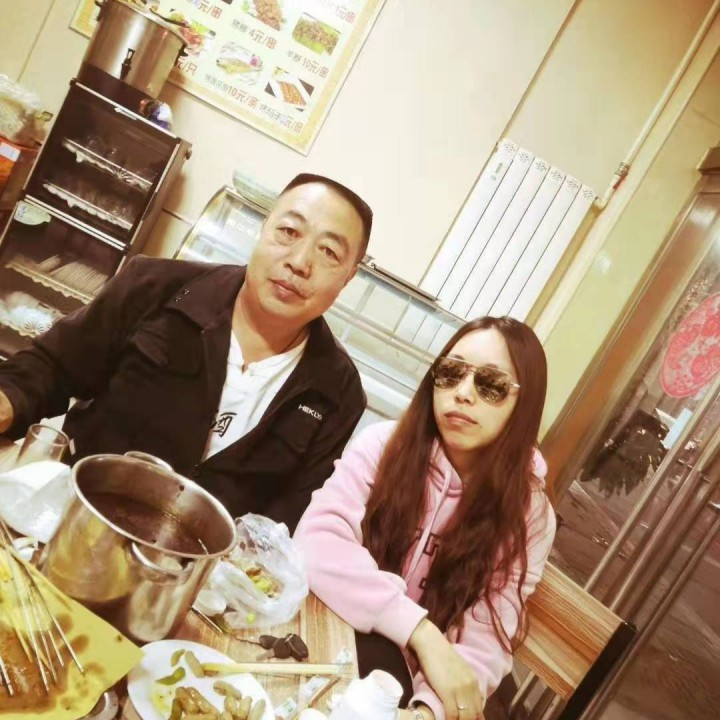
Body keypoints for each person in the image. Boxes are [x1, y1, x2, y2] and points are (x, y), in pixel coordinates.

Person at [0, 174, 371, 531]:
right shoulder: (155, 286)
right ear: (263, 229)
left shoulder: (339, 392)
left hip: (199, 568)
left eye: (329, 252)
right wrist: (9, 401)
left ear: (348, 276)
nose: (299, 262)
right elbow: (52, 366)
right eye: (289, 232)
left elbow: (286, 522)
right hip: (74, 519)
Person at [295, 317, 556, 720]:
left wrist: (428, 711)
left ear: (525, 403)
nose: (462, 393)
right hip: (327, 635)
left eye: (491, 384)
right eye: (451, 372)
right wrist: (421, 633)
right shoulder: (385, 445)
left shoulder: (528, 512)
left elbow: (488, 633)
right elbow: (316, 542)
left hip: (405, 691)